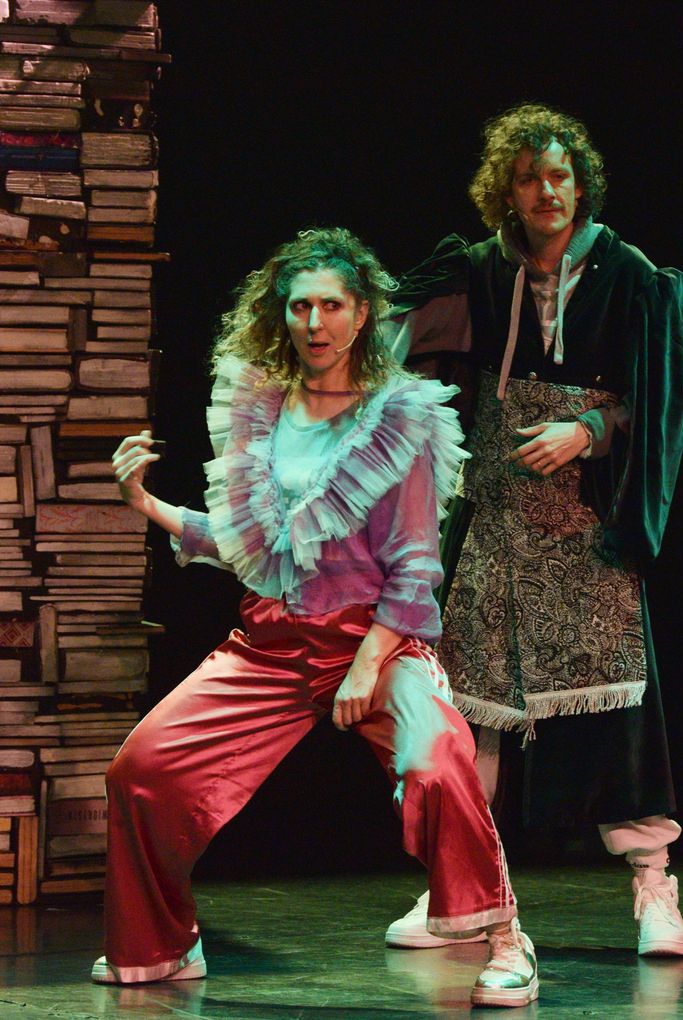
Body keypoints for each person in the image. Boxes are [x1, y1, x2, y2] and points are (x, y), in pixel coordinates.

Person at [99, 229, 538, 1008]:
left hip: (375, 639)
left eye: (331, 305)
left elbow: (414, 568)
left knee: (438, 762)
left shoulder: (400, 418)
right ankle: (165, 944)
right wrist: (147, 503)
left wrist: (367, 667)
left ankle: (506, 940)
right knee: (143, 770)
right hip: (270, 642)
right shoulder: (261, 409)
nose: (314, 322)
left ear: (362, 313)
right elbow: (248, 543)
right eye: (300, 306)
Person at [378, 103, 683, 957]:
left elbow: (658, 400)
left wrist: (588, 430)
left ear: (581, 186)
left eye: (560, 175)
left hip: (587, 526)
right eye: (529, 178)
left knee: (621, 707)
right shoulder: (479, 271)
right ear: (506, 192)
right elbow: (397, 343)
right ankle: (457, 889)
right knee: (469, 711)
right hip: (495, 517)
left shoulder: (630, 276)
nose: (547, 190)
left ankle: (655, 887)